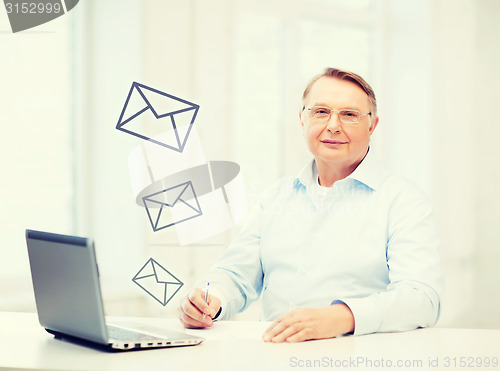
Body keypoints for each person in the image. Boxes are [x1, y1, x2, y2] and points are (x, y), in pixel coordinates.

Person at [177, 67, 443, 343]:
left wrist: (341, 317)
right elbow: (234, 274)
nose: (333, 126)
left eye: (349, 115)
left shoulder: (403, 200)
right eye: (320, 112)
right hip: (274, 357)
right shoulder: (276, 197)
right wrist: (207, 299)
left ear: (372, 125)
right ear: (302, 120)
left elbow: (422, 298)